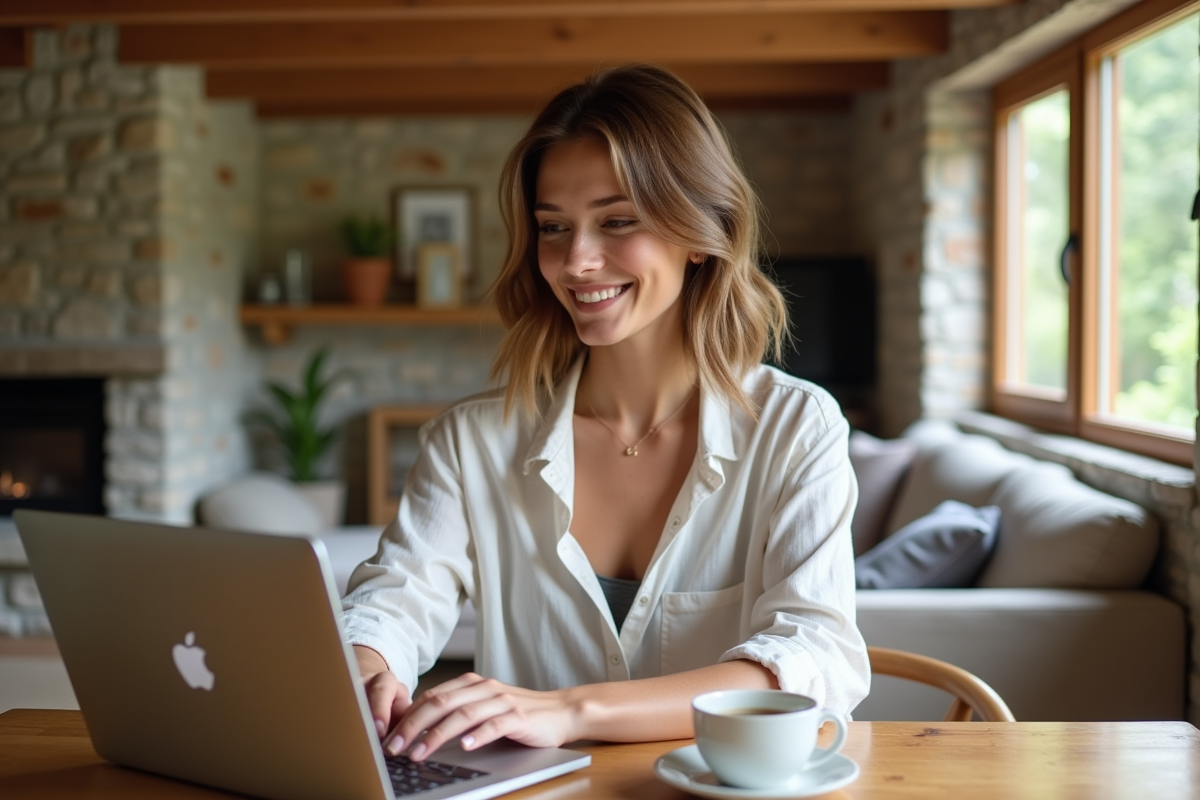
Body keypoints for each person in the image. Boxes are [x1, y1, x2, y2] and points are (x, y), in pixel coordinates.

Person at [342, 64, 869, 762]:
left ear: (702, 232)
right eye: (552, 227)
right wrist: (367, 664)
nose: (576, 261)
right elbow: (393, 601)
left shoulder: (797, 427)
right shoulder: (471, 441)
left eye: (617, 221)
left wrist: (568, 710)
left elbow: (814, 656)